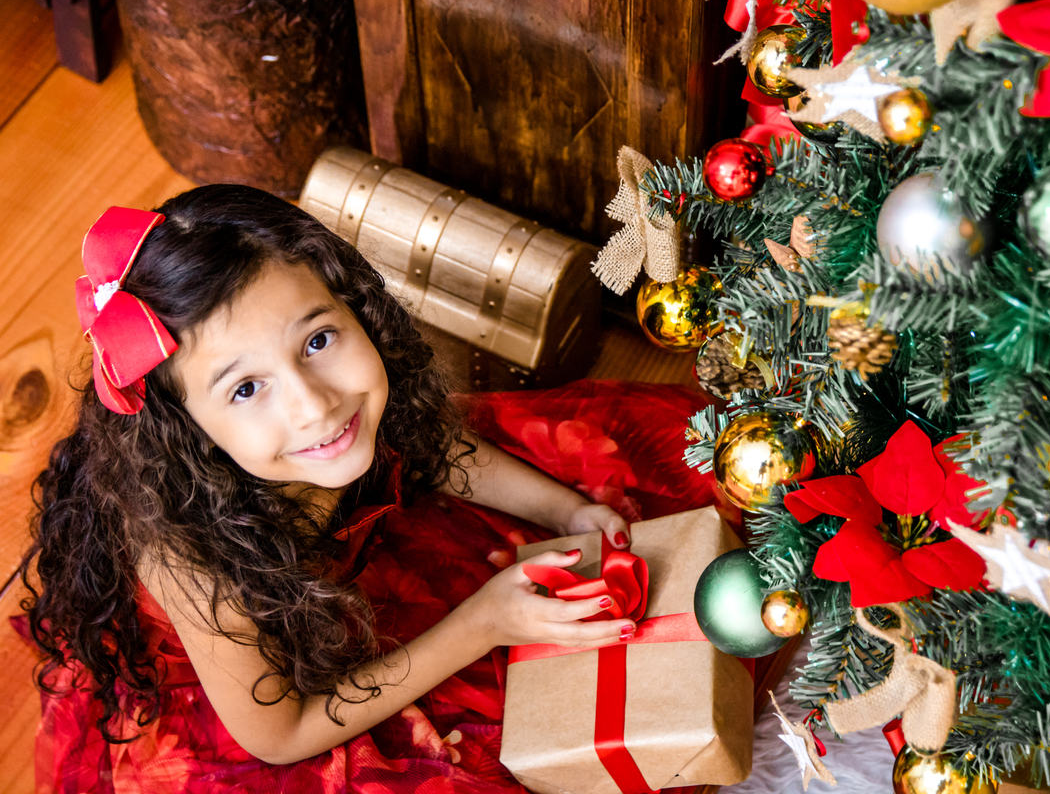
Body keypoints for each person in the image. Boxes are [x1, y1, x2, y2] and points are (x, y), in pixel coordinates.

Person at [16, 185, 727, 794]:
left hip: (346, 555)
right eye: (246, 388)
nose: (315, 405)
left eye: (319, 341)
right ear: (190, 430)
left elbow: (433, 450)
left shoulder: (343, 422)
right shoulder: (192, 563)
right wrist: (482, 624)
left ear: (354, 304)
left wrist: (564, 507)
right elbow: (283, 733)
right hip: (271, 677)